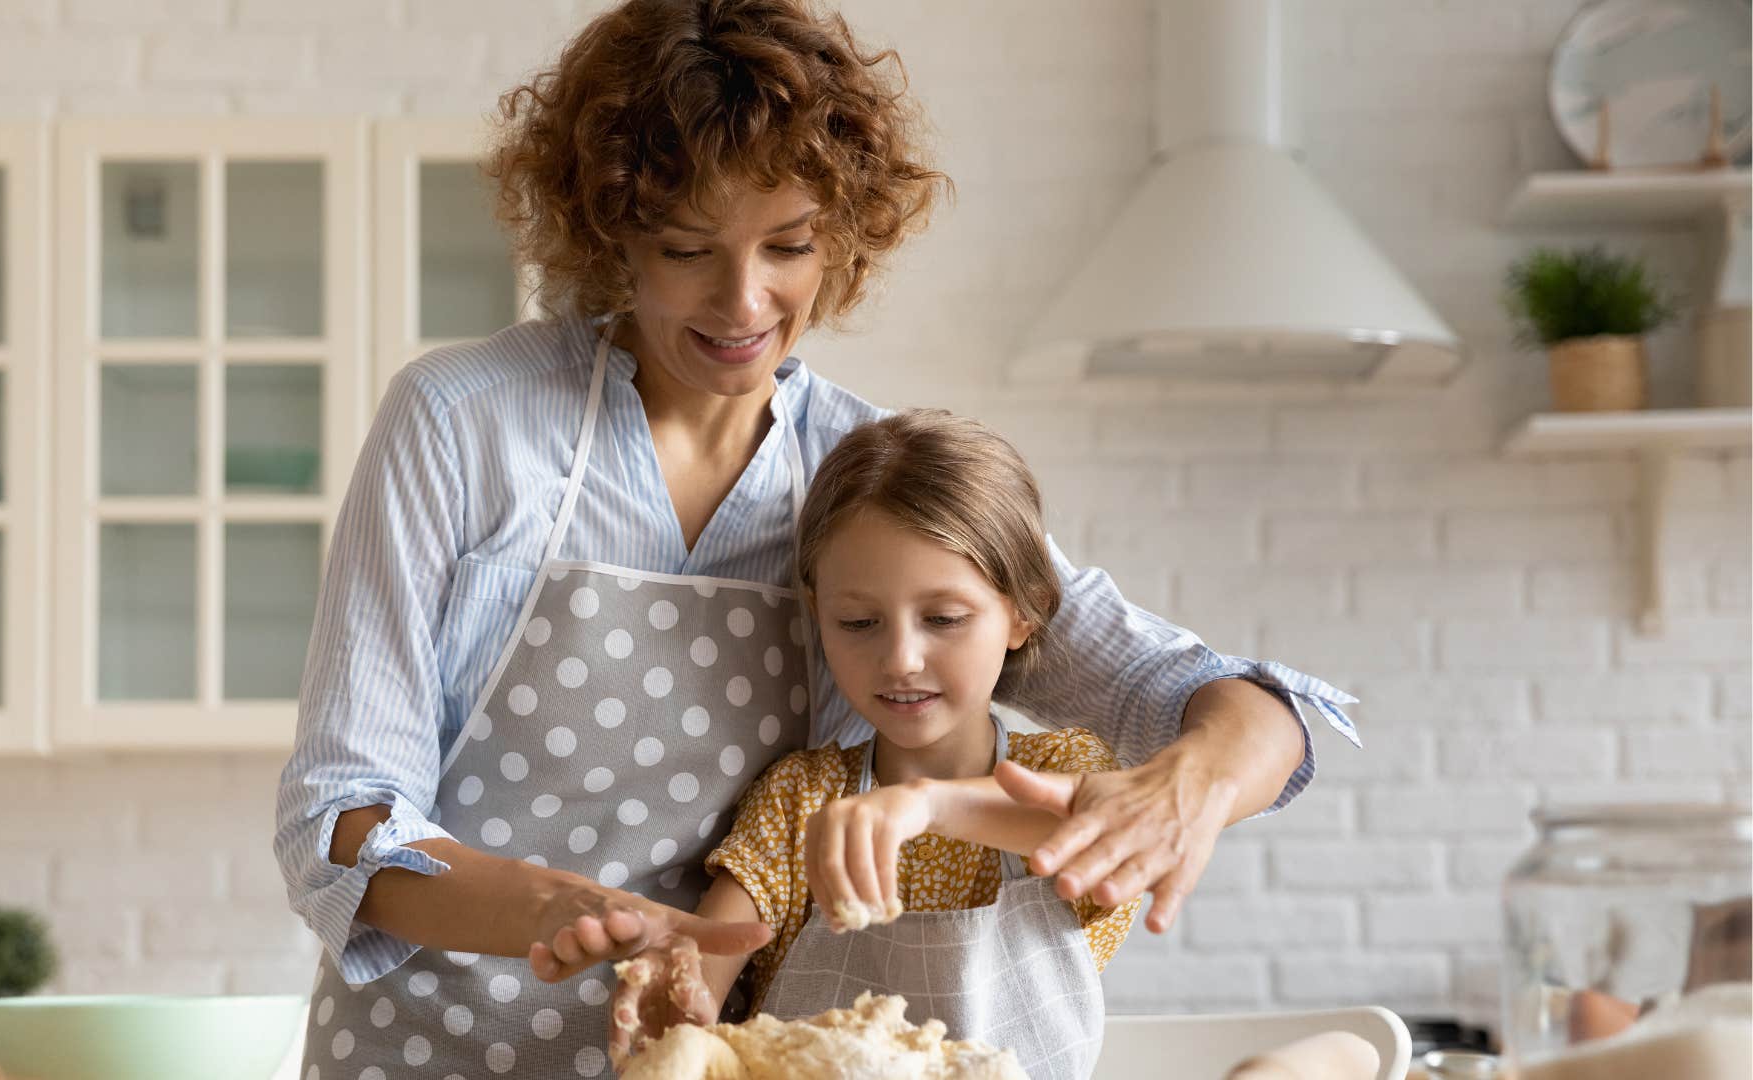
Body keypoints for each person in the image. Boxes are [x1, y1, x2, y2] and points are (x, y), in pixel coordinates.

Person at [273, 1, 1358, 1076]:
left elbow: (1240, 702)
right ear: (611, 233)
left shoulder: (865, 480)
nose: (745, 300)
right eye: (688, 247)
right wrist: (565, 908)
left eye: (788, 245)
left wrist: (1191, 785)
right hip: (426, 1054)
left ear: (842, 233)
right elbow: (340, 820)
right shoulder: (466, 424)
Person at [590, 409, 1145, 1079]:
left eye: (943, 618)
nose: (901, 658)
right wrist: (671, 1007)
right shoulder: (801, 801)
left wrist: (926, 806)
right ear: (817, 613)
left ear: (1022, 612)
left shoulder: (1064, 771)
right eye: (858, 622)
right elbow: (702, 978)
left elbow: (1109, 831)